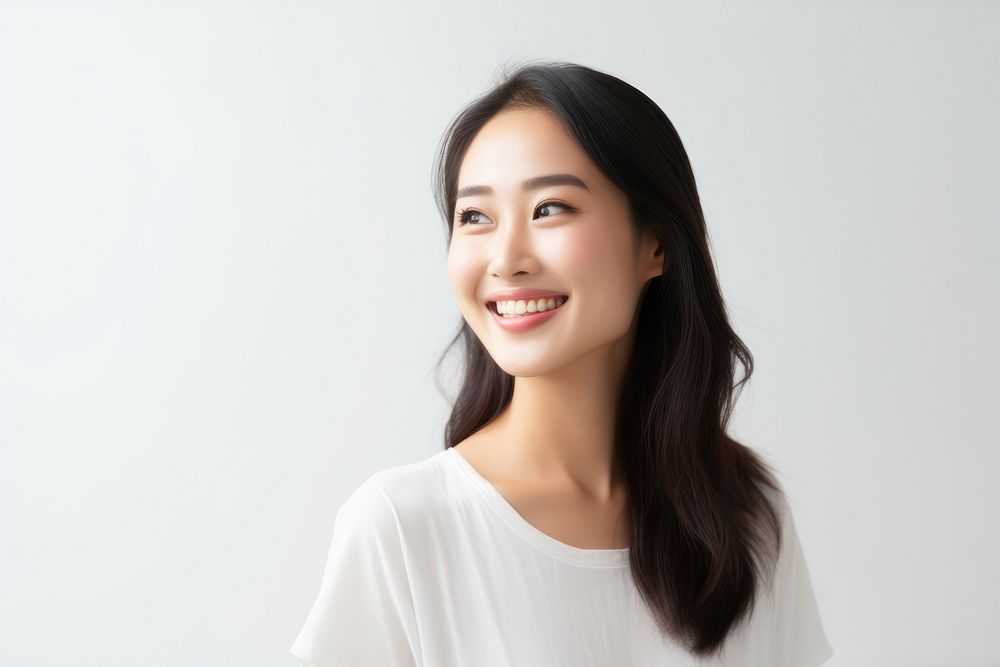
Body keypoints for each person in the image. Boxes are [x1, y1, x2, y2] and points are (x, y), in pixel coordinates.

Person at [289, 60, 834, 666]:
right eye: (475, 217)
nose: (506, 258)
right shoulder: (402, 527)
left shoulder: (745, 510)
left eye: (549, 208)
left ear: (654, 242)